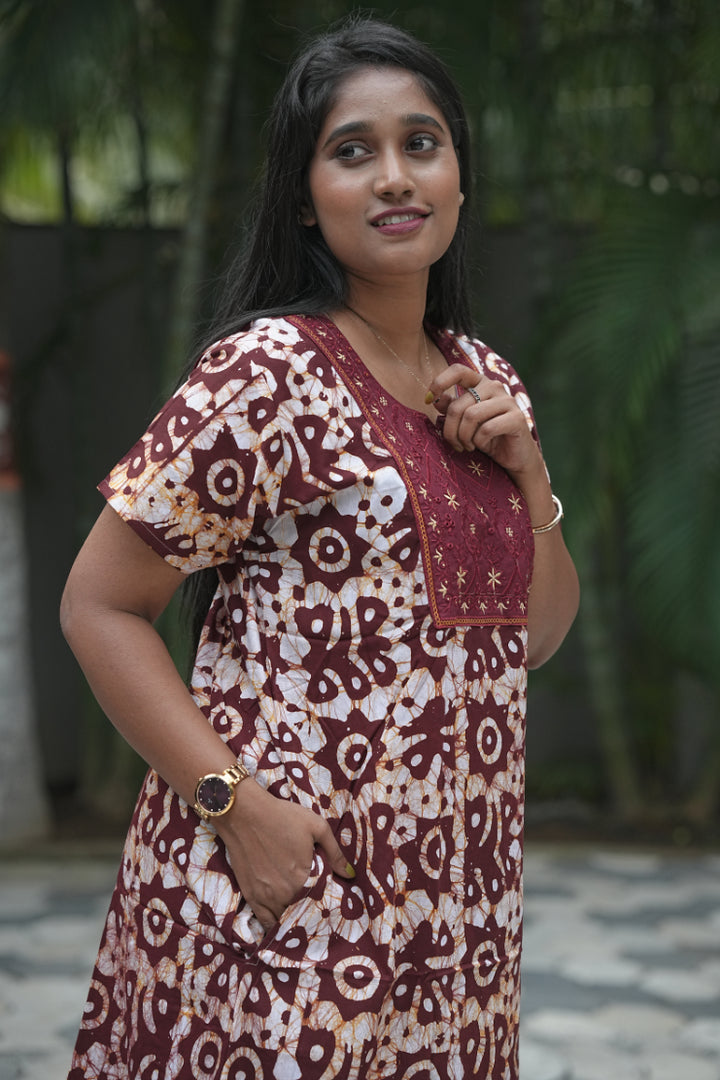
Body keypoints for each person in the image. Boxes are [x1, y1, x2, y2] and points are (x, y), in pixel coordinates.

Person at [61, 15, 579, 1080]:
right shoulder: (268, 373)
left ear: (459, 178)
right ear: (305, 197)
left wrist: (530, 477)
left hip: (458, 921)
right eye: (353, 151)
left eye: (421, 144)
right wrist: (237, 810)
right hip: (290, 893)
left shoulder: (482, 379)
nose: (394, 176)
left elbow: (532, 638)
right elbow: (100, 605)